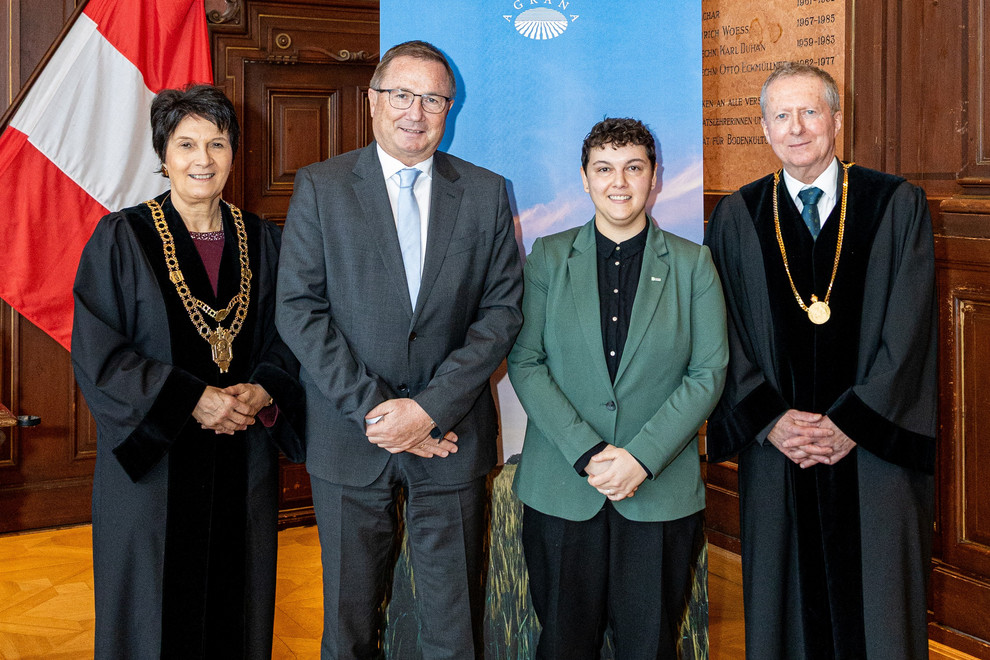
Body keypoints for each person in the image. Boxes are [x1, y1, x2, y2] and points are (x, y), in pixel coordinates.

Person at [275, 40, 523, 659]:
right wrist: (380, 413)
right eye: (402, 95)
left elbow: (501, 313)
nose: (416, 112)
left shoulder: (488, 192)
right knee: (348, 626)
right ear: (372, 101)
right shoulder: (321, 187)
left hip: (451, 436)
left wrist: (428, 409)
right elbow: (299, 310)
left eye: (433, 99)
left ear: (449, 109)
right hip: (348, 435)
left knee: (452, 627)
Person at [704, 62, 937, 660]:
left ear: (837, 118)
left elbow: (909, 334)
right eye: (781, 116)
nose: (797, 127)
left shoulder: (895, 205)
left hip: (871, 456)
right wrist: (772, 421)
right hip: (778, 450)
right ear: (764, 129)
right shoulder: (739, 216)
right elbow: (721, 337)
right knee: (785, 608)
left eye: (811, 111)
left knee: (879, 610)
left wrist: (850, 424)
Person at [71, 84, 305, 659]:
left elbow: (289, 338)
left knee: (237, 605)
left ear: (233, 153)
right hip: (156, 467)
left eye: (217, 144)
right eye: (187, 144)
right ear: (163, 154)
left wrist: (262, 390)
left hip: (240, 460)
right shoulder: (122, 239)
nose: (203, 159)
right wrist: (190, 398)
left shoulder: (264, 240)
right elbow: (101, 353)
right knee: (151, 616)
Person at [508, 117, 728, 659]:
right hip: (561, 487)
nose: (620, 182)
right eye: (604, 169)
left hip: (658, 491)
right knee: (562, 645)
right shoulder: (549, 256)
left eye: (634, 167)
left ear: (655, 178)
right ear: (584, 179)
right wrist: (588, 452)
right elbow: (525, 360)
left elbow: (708, 373)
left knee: (649, 645)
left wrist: (641, 458)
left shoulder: (692, 263)